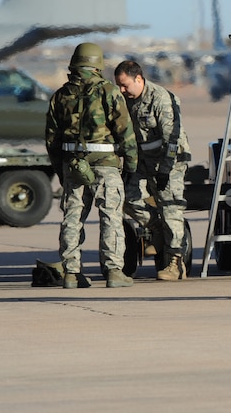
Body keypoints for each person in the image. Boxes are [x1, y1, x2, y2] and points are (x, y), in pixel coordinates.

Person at [45, 42, 138, 289]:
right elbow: (125, 131)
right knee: (110, 216)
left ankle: (71, 274)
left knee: (73, 218)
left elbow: (52, 139)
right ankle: (114, 272)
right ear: (97, 64)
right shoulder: (108, 91)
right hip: (105, 165)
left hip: (73, 166)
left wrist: (61, 171)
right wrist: (131, 164)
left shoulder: (61, 95)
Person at [114, 60, 192, 281]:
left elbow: (172, 138)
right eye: (119, 86)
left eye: (125, 85)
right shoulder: (126, 101)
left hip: (169, 160)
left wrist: (166, 170)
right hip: (142, 161)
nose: (122, 90)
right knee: (126, 198)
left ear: (138, 79)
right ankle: (156, 230)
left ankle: (175, 263)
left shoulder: (160, 99)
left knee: (171, 206)